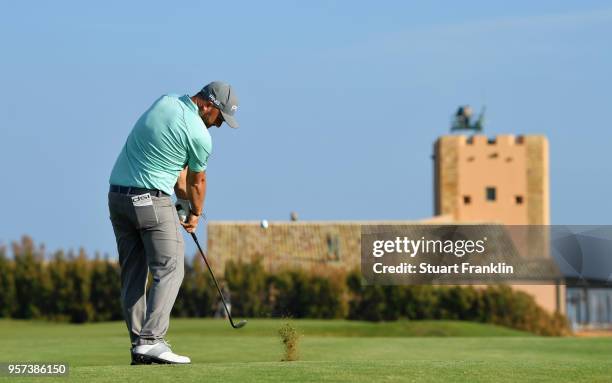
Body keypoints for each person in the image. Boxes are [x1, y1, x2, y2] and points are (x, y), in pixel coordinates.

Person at [108, 81, 239, 365]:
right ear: (208, 105)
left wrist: (181, 204)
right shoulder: (199, 134)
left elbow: (176, 176)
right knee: (170, 268)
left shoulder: (165, 101)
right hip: (150, 201)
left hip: (118, 198)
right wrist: (194, 213)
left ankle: (139, 346)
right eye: (220, 118)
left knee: (133, 275)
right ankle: (152, 340)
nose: (218, 126)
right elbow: (196, 182)